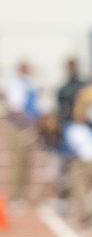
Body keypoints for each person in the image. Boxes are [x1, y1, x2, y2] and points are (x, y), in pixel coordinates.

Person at [3, 61, 41, 205]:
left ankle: (23, 196)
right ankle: (15, 196)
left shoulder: (31, 85)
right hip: (18, 128)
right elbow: (13, 108)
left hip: (29, 127)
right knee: (17, 162)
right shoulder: (15, 85)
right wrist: (26, 119)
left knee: (27, 162)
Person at [56, 57, 86, 130]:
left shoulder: (84, 87)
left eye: (74, 67)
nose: (72, 69)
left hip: (83, 124)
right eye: (71, 67)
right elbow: (61, 110)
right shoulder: (64, 89)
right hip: (69, 123)